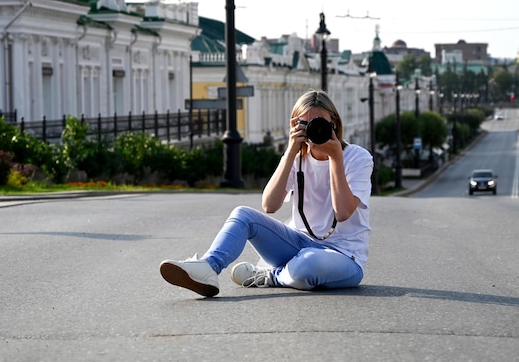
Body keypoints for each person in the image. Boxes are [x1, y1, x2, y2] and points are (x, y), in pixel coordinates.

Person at [159, 90, 373, 297]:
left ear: (333, 123)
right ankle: (208, 267)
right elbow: (269, 205)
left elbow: (343, 212)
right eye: (305, 124)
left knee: (309, 262)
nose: (314, 129)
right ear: (295, 125)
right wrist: (290, 152)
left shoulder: (357, 157)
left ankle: (272, 275)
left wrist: (335, 158)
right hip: (297, 245)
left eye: (320, 123)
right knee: (243, 214)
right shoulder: (297, 157)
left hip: (344, 257)